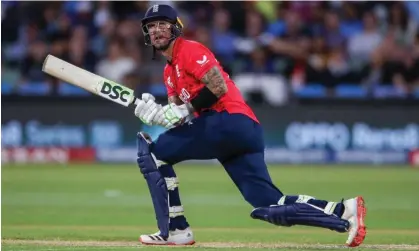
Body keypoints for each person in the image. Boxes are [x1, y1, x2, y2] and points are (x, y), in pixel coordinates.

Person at [133, 4, 367, 247]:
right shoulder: (168, 72)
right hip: (240, 132)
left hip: (228, 121)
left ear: (175, 28)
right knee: (269, 203)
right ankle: (343, 210)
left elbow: (217, 87)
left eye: (163, 24)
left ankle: (176, 229)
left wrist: (181, 110)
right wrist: (157, 114)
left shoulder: (189, 49)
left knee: (154, 152)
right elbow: (179, 117)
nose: (157, 30)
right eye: (151, 26)